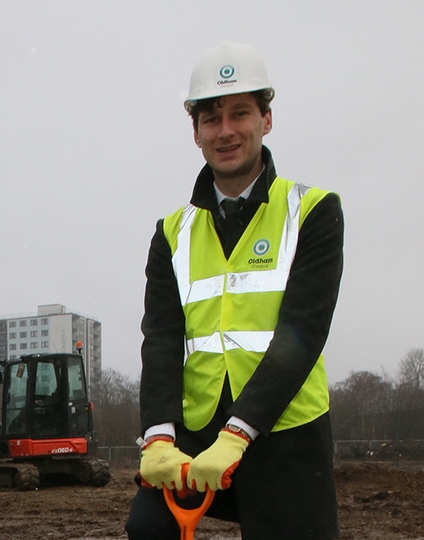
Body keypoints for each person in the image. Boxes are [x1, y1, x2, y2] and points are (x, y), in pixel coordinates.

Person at [124, 41, 344, 540]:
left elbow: (302, 332)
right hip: (198, 430)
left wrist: (240, 431)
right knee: (148, 528)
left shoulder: (312, 211)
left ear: (267, 119)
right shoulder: (172, 233)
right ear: (196, 132)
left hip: (284, 433)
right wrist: (159, 435)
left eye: (239, 113)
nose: (225, 131)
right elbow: (160, 339)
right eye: (211, 118)